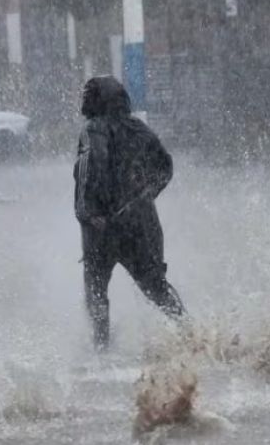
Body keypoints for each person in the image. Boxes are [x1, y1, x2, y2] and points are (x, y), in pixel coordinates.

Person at [74, 76, 186, 350]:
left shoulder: (93, 129)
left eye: (88, 94)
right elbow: (165, 166)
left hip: (102, 227)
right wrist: (144, 197)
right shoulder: (140, 129)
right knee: (156, 288)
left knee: (96, 291)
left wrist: (87, 212)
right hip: (140, 225)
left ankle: (101, 349)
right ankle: (192, 336)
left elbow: (92, 166)